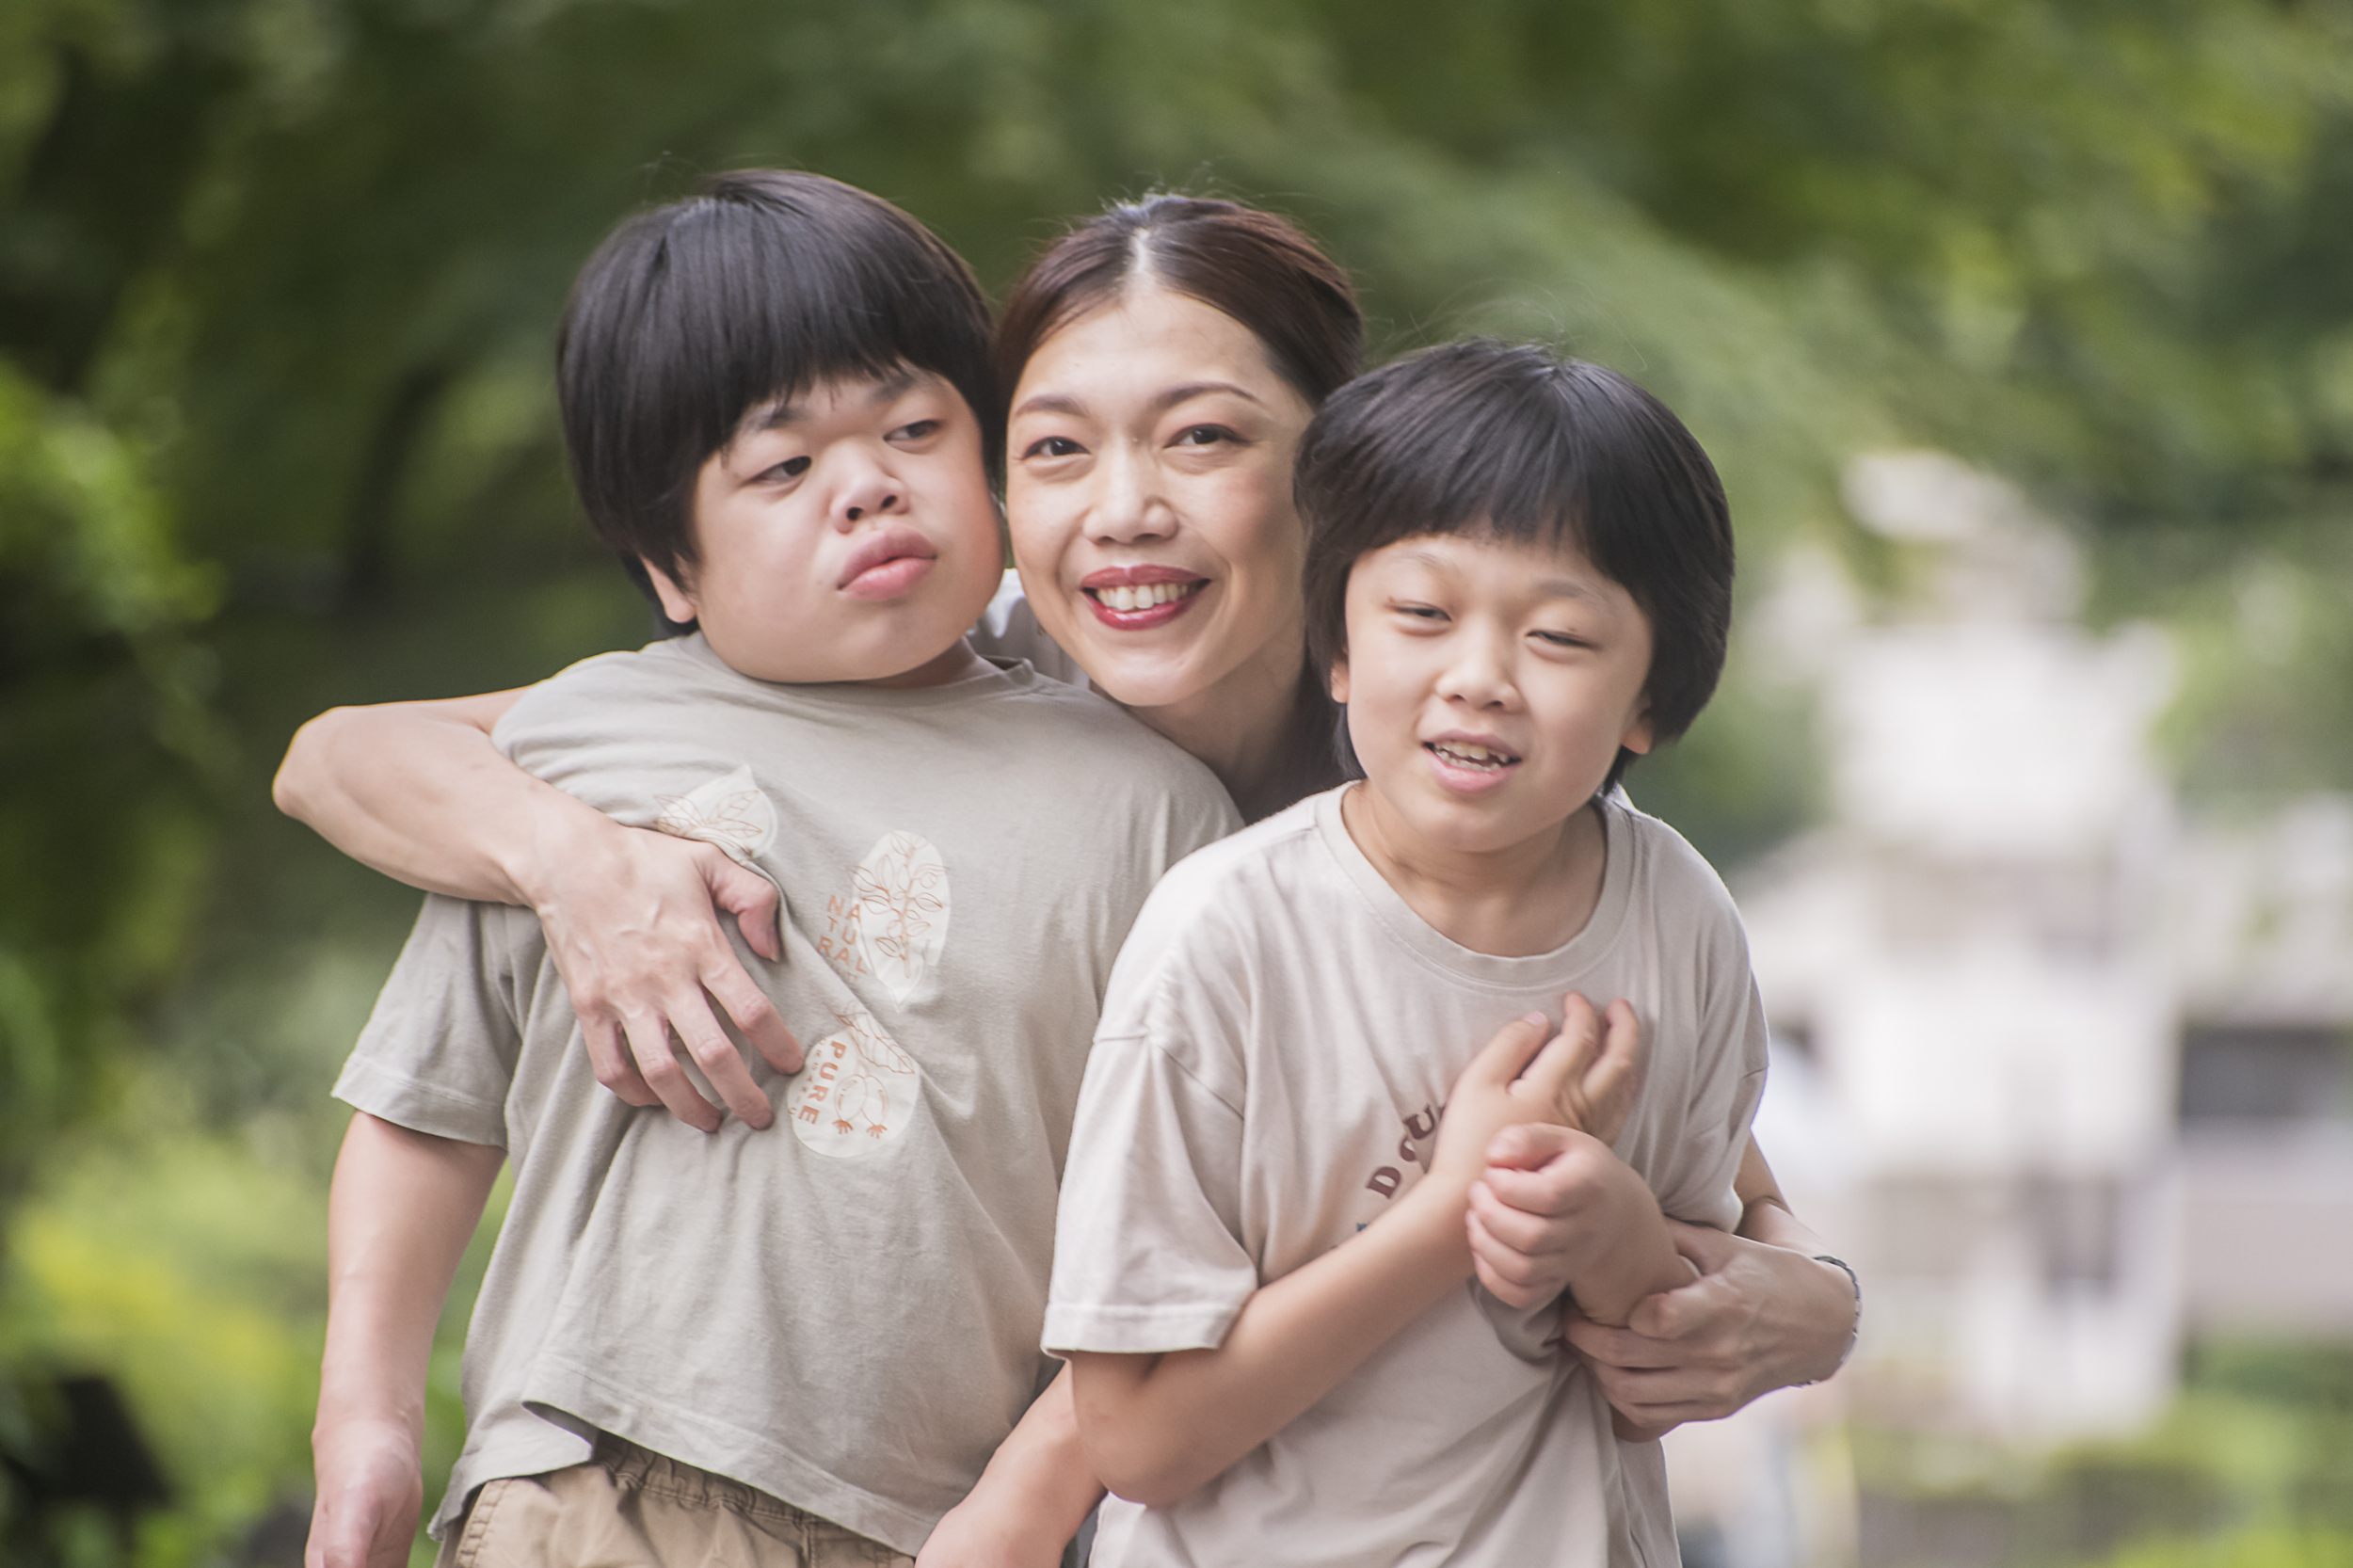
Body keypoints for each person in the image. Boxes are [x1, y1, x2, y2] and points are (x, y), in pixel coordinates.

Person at [275, 195, 1857, 1455]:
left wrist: (1814, 1297)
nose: (1123, 510)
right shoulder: (960, 674)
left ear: (1344, 479)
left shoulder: (1450, 767)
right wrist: (585, 867)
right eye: (1053, 448)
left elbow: (1647, 1106)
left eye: (1205, 437)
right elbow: (355, 752)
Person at [303, 169, 1239, 1568]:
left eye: (915, 428)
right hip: (586, 1483)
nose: (867, 485)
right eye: (783, 467)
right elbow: (429, 1110)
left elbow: (1175, 1217)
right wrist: (364, 1416)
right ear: (669, 562)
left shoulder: (1152, 805)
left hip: (934, 1522)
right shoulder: (571, 748)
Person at [1047, 340, 1767, 1566]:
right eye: (1422, 614)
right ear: (1337, 648)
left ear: (1652, 699)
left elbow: (1676, 1366)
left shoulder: (1679, 919)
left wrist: (1610, 1225)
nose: (1478, 677)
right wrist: (1451, 1213)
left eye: (1558, 637)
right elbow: (1135, 1439)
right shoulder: (1225, 937)